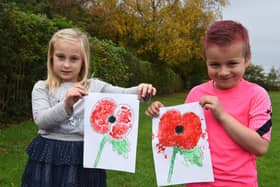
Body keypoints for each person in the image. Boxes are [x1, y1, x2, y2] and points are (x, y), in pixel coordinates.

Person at [21, 28, 157, 187]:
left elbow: (124, 94)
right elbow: (42, 121)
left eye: (74, 59)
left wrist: (141, 91)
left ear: (83, 61)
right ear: (51, 58)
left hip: (84, 155)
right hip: (49, 155)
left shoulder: (95, 87)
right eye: (60, 57)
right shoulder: (42, 88)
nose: (66, 64)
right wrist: (66, 105)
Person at [145, 20, 272, 187]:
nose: (223, 72)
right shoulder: (196, 94)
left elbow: (260, 147)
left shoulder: (257, 95)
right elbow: (181, 136)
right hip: (196, 183)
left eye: (232, 63)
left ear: (247, 59)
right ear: (206, 61)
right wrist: (162, 115)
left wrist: (222, 116)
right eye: (215, 65)